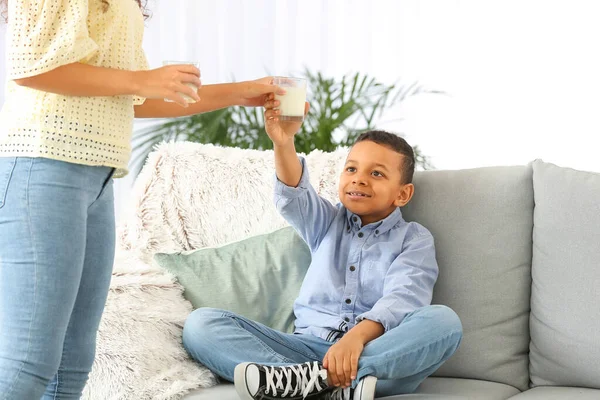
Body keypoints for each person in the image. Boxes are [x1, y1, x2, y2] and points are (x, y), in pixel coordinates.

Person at [0, 1, 285, 398]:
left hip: (95, 176)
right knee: (30, 360)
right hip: (43, 163)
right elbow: (33, 67)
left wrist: (240, 93)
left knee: (72, 363)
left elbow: (131, 98)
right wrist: (141, 80)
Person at [182, 97, 463, 400]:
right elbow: (294, 195)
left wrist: (354, 340)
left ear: (403, 194)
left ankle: (309, 385)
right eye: (352, 168)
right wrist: (284, 142)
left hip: (375, 353)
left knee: (444, 322)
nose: (359, 179)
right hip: (304, 349)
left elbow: (403, 299)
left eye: (376, 173)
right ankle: (324, 386)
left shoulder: (413, 239)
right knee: (201, 325)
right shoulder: (326, 221)